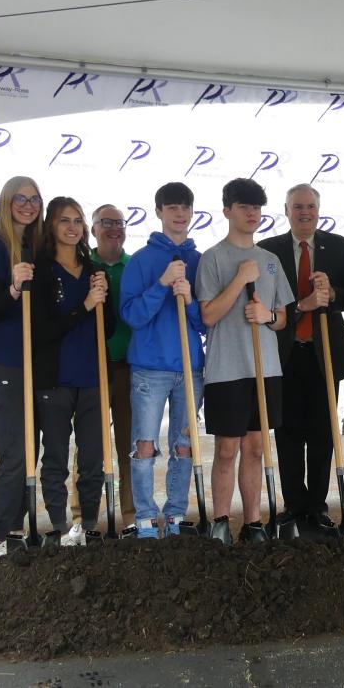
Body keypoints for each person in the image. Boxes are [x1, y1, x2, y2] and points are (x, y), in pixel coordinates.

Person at [196, 178, 293, 542]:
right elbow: (208, 315)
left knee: (255, 447)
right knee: (227, 449)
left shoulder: (270, 261)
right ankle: (220, 522)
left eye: (256, 208)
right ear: (227, 211)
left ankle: (253, 522)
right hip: (226, 370)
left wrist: (266, 316)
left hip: (265, 370)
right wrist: (239, 280)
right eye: (244, 207)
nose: (252, 214)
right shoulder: (214, 258)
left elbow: (282, 317)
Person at [257, 184, 344, 532]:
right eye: (298, 206)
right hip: (283, 355)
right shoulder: (268, 250)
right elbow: (265, 307)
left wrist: (332, 292)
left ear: (319, 210)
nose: (305, 213)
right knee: (287, 434)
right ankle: (293, 505)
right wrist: (302, 305)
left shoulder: (338, 246)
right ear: (286, 210)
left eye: (311, 207)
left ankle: (317, 505)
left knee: (322, 434)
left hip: (324, 355)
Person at [120, 182, 205, 538]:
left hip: (189, 368)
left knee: (185, 445)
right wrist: (161, 284)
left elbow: (206, 321)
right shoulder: (141, 260)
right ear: (159, 212)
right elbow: (131, 315)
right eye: (172, 207)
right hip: (149, 369)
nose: (180, 214)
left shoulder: (200, 261)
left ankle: (174, 515)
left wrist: (188, 299)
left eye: (185, 207)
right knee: (144, 444)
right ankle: (144, 518)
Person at [30, 197, 113, 545]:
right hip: (55, 378)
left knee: (93, 457)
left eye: (78, 220)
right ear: (51, 225)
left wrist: (101, 304)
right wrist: (84, 306)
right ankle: (60, 527)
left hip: (93, 376)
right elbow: (42, 330)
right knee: (55, 457)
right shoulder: (41, 269)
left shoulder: (96, 270)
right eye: (65, 220)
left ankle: (89, 524)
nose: (72, 227)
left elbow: (107, 328)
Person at [0, 176, 42, 556]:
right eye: (20, 198)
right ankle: (0, 537)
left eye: (34, 199)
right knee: (15, 451)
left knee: (28, 448)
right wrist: (14, 287)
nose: (28, 205)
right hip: (2, 362)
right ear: (6, 201)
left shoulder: (34, 246)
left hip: (30, 360)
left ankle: (17, 528)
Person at [91, 204, 135, 529]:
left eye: (119, 223)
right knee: (91, 445)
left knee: (128, 445)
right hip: (90, 369)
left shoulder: (134, 267)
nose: (114, 228)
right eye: (106, 222)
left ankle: (130, 515)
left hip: (128, 366)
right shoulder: (82, 265)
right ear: (93, 229)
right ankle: (86, 519)